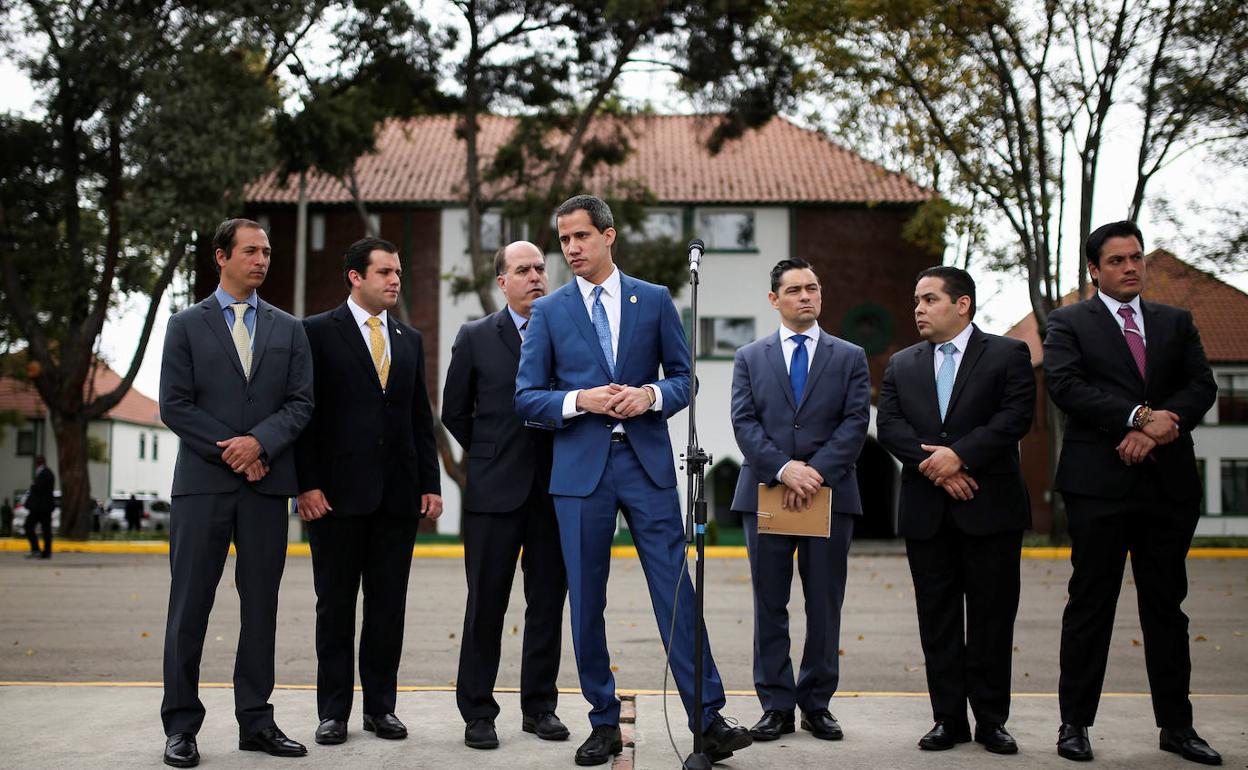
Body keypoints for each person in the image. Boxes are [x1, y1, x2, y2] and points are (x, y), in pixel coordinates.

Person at [515, 195, 753, 765]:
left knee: (675, 590)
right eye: (564, 239)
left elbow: (684, 381)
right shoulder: (549, 312)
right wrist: (580, 399)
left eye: (581, 237)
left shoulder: (653, 299)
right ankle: (601, 721)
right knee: (586, 601)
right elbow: (527, 398)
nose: (570, 249)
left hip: (646, 468)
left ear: (608, 236)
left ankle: (707, 717)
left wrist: (649, 396)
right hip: (579, 475)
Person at [1045, 221, 1220, 766]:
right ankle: (1074, 725)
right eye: (1117, 260)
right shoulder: (1068, 322)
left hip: (1167, 488)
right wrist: (1140, 418)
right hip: (1098, 486)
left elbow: (1202, 386)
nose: (1130, 268)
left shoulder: (1176, 322)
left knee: (1166, 608)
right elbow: (1066, 386)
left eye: (1136, 258)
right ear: (1095, 270)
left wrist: (1159, 429)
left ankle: (1177, 727)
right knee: (1090, 606)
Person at [158, 218, 314, 768]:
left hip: (266, 488)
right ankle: (181, 726)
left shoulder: (289, 329)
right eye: (251, 251)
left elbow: (300, 403)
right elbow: (174, 405)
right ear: (220, 257)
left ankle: (256, 721)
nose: (262, 260)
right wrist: (234, 450)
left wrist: (260, 445)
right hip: (202, 488)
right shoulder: (184, 325)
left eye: (267, 251)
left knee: (261, 608)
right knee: (189, 607)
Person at [876, 266, 1035, 754]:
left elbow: (1015, 418)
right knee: (938, 620)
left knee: (991, 618)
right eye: (916, 301)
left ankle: (991, 721)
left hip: (992, 509)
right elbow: (889, 425)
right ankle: (948, 718)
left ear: (962, 304)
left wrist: (960, 455)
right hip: (928, 514)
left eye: (928, 300)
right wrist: (937, 464)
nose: (918, 309)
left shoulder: (1009, 354)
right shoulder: (902, 364)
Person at [295, 237, 443, 747]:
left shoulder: (408, 337)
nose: (395, 280)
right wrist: (306, 484)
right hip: (333, 499)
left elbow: (419, 416)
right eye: (384, 272)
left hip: (397, 500)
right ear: (355, 277)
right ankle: (333, 711)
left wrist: (430, 482)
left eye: (398, 271)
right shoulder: (315, 332)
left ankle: (382, 709)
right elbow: (305, 415)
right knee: (334, 607)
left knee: (387, 608)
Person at [728, 258, 870, 744]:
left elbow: (855, 424)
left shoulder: (850, 355)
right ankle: (776, 706)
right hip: (766, 492)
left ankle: (816, 705)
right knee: (770, 602)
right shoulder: (749, 356)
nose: (806, 296)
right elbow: (744, 423)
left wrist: (815, 472)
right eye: (794, 290)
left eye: (813, 287)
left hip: (830, 494)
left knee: (824, 602)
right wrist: (784, 469)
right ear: (775, 300)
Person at [442, 241, 568, 750]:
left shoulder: (565, 332)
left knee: (546, 605)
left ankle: (540, 708)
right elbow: (454, 411)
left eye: (540, 268)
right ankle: (478, 712)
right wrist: (490, 453)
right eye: (523, 270)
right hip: (493, 494)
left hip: (556, 490)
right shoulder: (476, 337)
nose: (535, 276)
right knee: (486, 604)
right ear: (502, 281)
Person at [25, 456, 55, 559]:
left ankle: (37, 550)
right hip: (43, 507)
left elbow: (39, 489)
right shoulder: (46, 472)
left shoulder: (44, 473)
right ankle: (45, 552)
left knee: (29, 526)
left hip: (40, 508)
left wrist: (33, 487)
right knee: (46, 530)